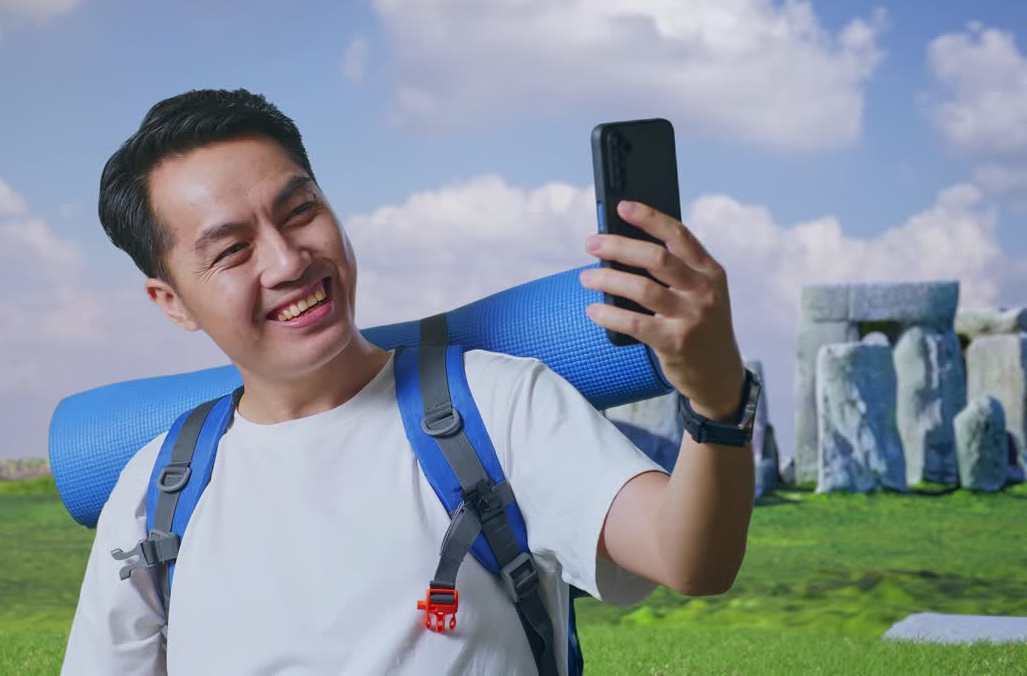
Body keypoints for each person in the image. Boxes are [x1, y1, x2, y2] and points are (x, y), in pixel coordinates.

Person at [62, 88, 755, 675]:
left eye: (300, 211)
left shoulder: (496, 403)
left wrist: (716, 401)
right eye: (233, 249)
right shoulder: (156, 491)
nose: (287, 260)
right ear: (172, 301)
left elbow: (687, 555)